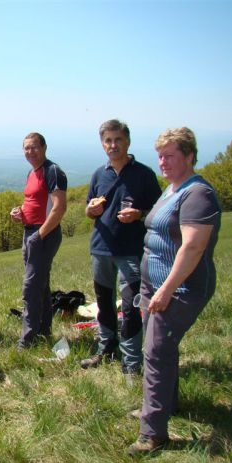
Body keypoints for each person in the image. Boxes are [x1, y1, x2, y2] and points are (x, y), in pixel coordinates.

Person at [128, 127, 221, 454]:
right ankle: (164, 405)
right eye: (160, 155)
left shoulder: (198, 195)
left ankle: (153, 433)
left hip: (180, 288)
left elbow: (193, 249)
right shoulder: (172, 189)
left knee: (155, 351)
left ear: (190, 156)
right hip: (155, 284)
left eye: (170, 156)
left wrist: (166, 290)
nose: (162, 162)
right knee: (159, 348)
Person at [81, 119, 161, 374]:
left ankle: (132, 362)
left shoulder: (144, 174)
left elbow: (160, 213)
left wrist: (139, 214)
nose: (113, 145)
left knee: (130, 306)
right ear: (102, 144)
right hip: (101, 249)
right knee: (104, 303)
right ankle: (106, 349)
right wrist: (90, 210)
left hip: (130, 251)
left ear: (127, 142)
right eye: (108, 140)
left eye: (118, 140)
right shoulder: (98, 174)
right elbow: (88, 209)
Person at [10, 132, 67, 348]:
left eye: (34, 147)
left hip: (44, 235)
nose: (29, 152)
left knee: (31, 287)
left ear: (44, 147)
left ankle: (28, 341)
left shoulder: (53, 171)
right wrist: (20, 212)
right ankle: (44, 331)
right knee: (40, 285)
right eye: (26, 148)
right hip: (31, 232)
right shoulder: (32, 173)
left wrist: (39, 235)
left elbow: (59, 208)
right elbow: (34, 202)